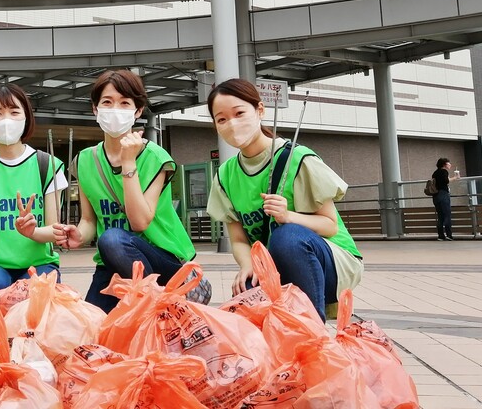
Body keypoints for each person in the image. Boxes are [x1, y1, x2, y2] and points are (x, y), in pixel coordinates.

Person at [205, 78, 363, 322]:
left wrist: (288, 216)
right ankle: (282, 344)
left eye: (239, 113)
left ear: (259, 110)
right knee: (247, 286)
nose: (232, 124)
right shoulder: (225, 175)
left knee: (286, 236)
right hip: (275, 261)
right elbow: (237, 239)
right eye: (222, 119)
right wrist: (247, 265)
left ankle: (312, 335)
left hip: (331, 261)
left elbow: (330, 225)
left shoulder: (297, 159)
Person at [57, 69, 197, 313]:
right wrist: (79, 234)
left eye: (124, 103)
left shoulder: (154, 157)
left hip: (163, 259)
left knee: (112, 238)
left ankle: (156, 309)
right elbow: (90, 219)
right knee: (95, 326)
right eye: (107, 102)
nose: (115, 109)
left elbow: (140, 221)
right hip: (113, 260)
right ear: (95, 109)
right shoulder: (85, 160)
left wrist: (128, 162)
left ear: (138, 111)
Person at [0, 84, 67, 295]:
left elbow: (54, 230)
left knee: (32, 293)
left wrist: (31, 231)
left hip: (39, 264)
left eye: (14, 112)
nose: (6, 120)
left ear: (26, 118)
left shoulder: (48, 165)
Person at [432, 158, 461, 241]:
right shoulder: (444, 171)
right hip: (443, 195)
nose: (450, 164)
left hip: (436, 196)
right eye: (449, 163)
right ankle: (449, 235)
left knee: (440, 216)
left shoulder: (435, 172)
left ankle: (441, 235)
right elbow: (446, 181)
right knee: (447, 215)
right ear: (444, 164)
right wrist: (455, 177)